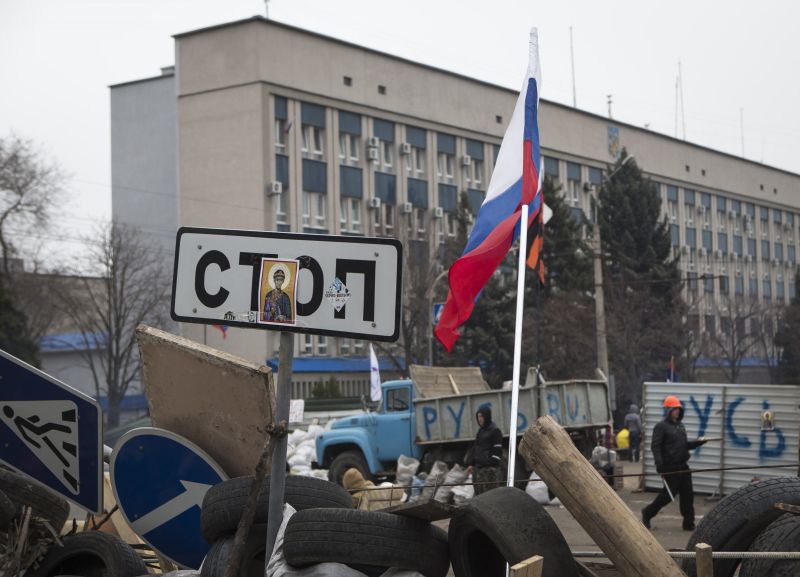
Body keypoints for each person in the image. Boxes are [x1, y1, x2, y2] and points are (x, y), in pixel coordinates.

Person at [642, 395, 707, 531]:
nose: (677, 411)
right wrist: (659, 465)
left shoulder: (680, 426)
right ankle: (647, 513)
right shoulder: (661, 426)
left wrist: (698, 443)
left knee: (688, 495)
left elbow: (684, 445)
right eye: (674, 409)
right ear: (668, 410)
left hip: (683, 466)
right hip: (670, 467)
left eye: (678, 409)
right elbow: (655, 446)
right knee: (667, 496)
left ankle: (688, 523)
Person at [466, 406, 503, 495]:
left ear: (487, 416)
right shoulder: (481, 431)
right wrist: (471, 463)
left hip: (489, 469)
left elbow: (497, 449)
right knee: (479, 494)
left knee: (490, 495)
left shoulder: (495, 431)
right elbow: (476, 447)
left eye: (481, 416)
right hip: (479, 469)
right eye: (478, 416)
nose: (479, 419)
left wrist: (493, 465)